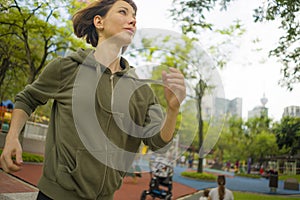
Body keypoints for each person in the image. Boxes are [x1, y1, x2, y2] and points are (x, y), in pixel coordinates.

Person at [0, 0, 186, 199]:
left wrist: (173, 110)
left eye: (134, 17)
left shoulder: (142, 91)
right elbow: (28, 98)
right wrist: (12, 138)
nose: (132, 20)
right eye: (123, 12)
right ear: (99, 22)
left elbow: (158, 141)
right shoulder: (67, 68)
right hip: (55, 195)